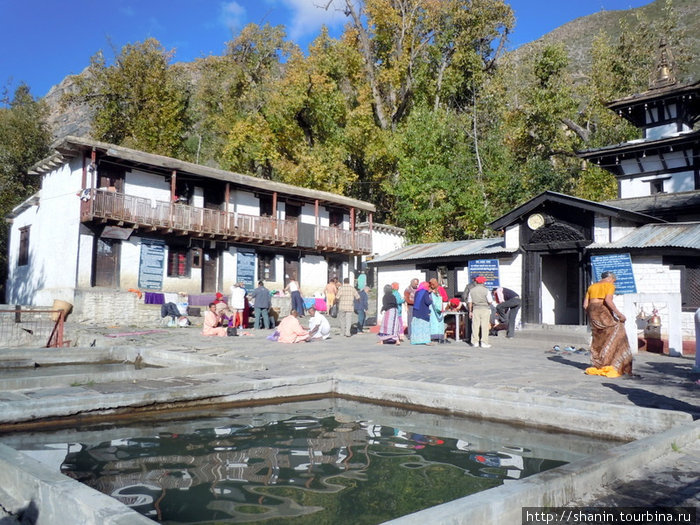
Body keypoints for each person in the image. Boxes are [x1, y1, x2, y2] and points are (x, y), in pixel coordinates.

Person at [582, 271, 633, 377]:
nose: (614, 283)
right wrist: (619, 314)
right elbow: (608, 301)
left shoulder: (592, 286)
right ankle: (614, 364)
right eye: (614, 280)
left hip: (592, 312)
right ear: (610, 278)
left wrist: (592, 316)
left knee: (598, 337)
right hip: (602, 310)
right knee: (618, 331)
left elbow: (585, 305)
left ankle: (598, 364)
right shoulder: (609, 285)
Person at [468, 276, 494, 348]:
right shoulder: (486, 290)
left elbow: (470, 301)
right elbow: (490, 301)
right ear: (483, 282)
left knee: (475, 326)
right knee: (484, 326)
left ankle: (475, 342)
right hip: (485, 309)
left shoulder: (472, 290)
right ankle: (484, 342)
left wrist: (470, 311)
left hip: (475, 309)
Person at [429, 278, 446, 344]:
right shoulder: (429, 290)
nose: (432, 285)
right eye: (431, 284)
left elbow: (445, 298)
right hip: (431, 309)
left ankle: (439, 336)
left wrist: (438, 296)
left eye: (433, 284)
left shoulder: (440, 289)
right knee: (433, 323)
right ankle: (433, 336)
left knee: (438, 323)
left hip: (438, 308)